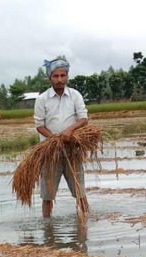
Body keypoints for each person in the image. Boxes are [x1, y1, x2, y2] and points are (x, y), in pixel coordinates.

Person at [34, 58, 89, 218]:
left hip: (72, 149)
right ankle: (47, 226)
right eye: (55, 76)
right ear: (50, 78)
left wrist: (69, 131)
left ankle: (85, 221)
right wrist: (54, 139)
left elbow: (83, 119)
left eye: (62, 75)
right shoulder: (42, 99)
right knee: (47, 194)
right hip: (50, 152)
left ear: (67, 76)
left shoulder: (75, 95)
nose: (59, 80)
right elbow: (39, 125)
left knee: (80, 190)